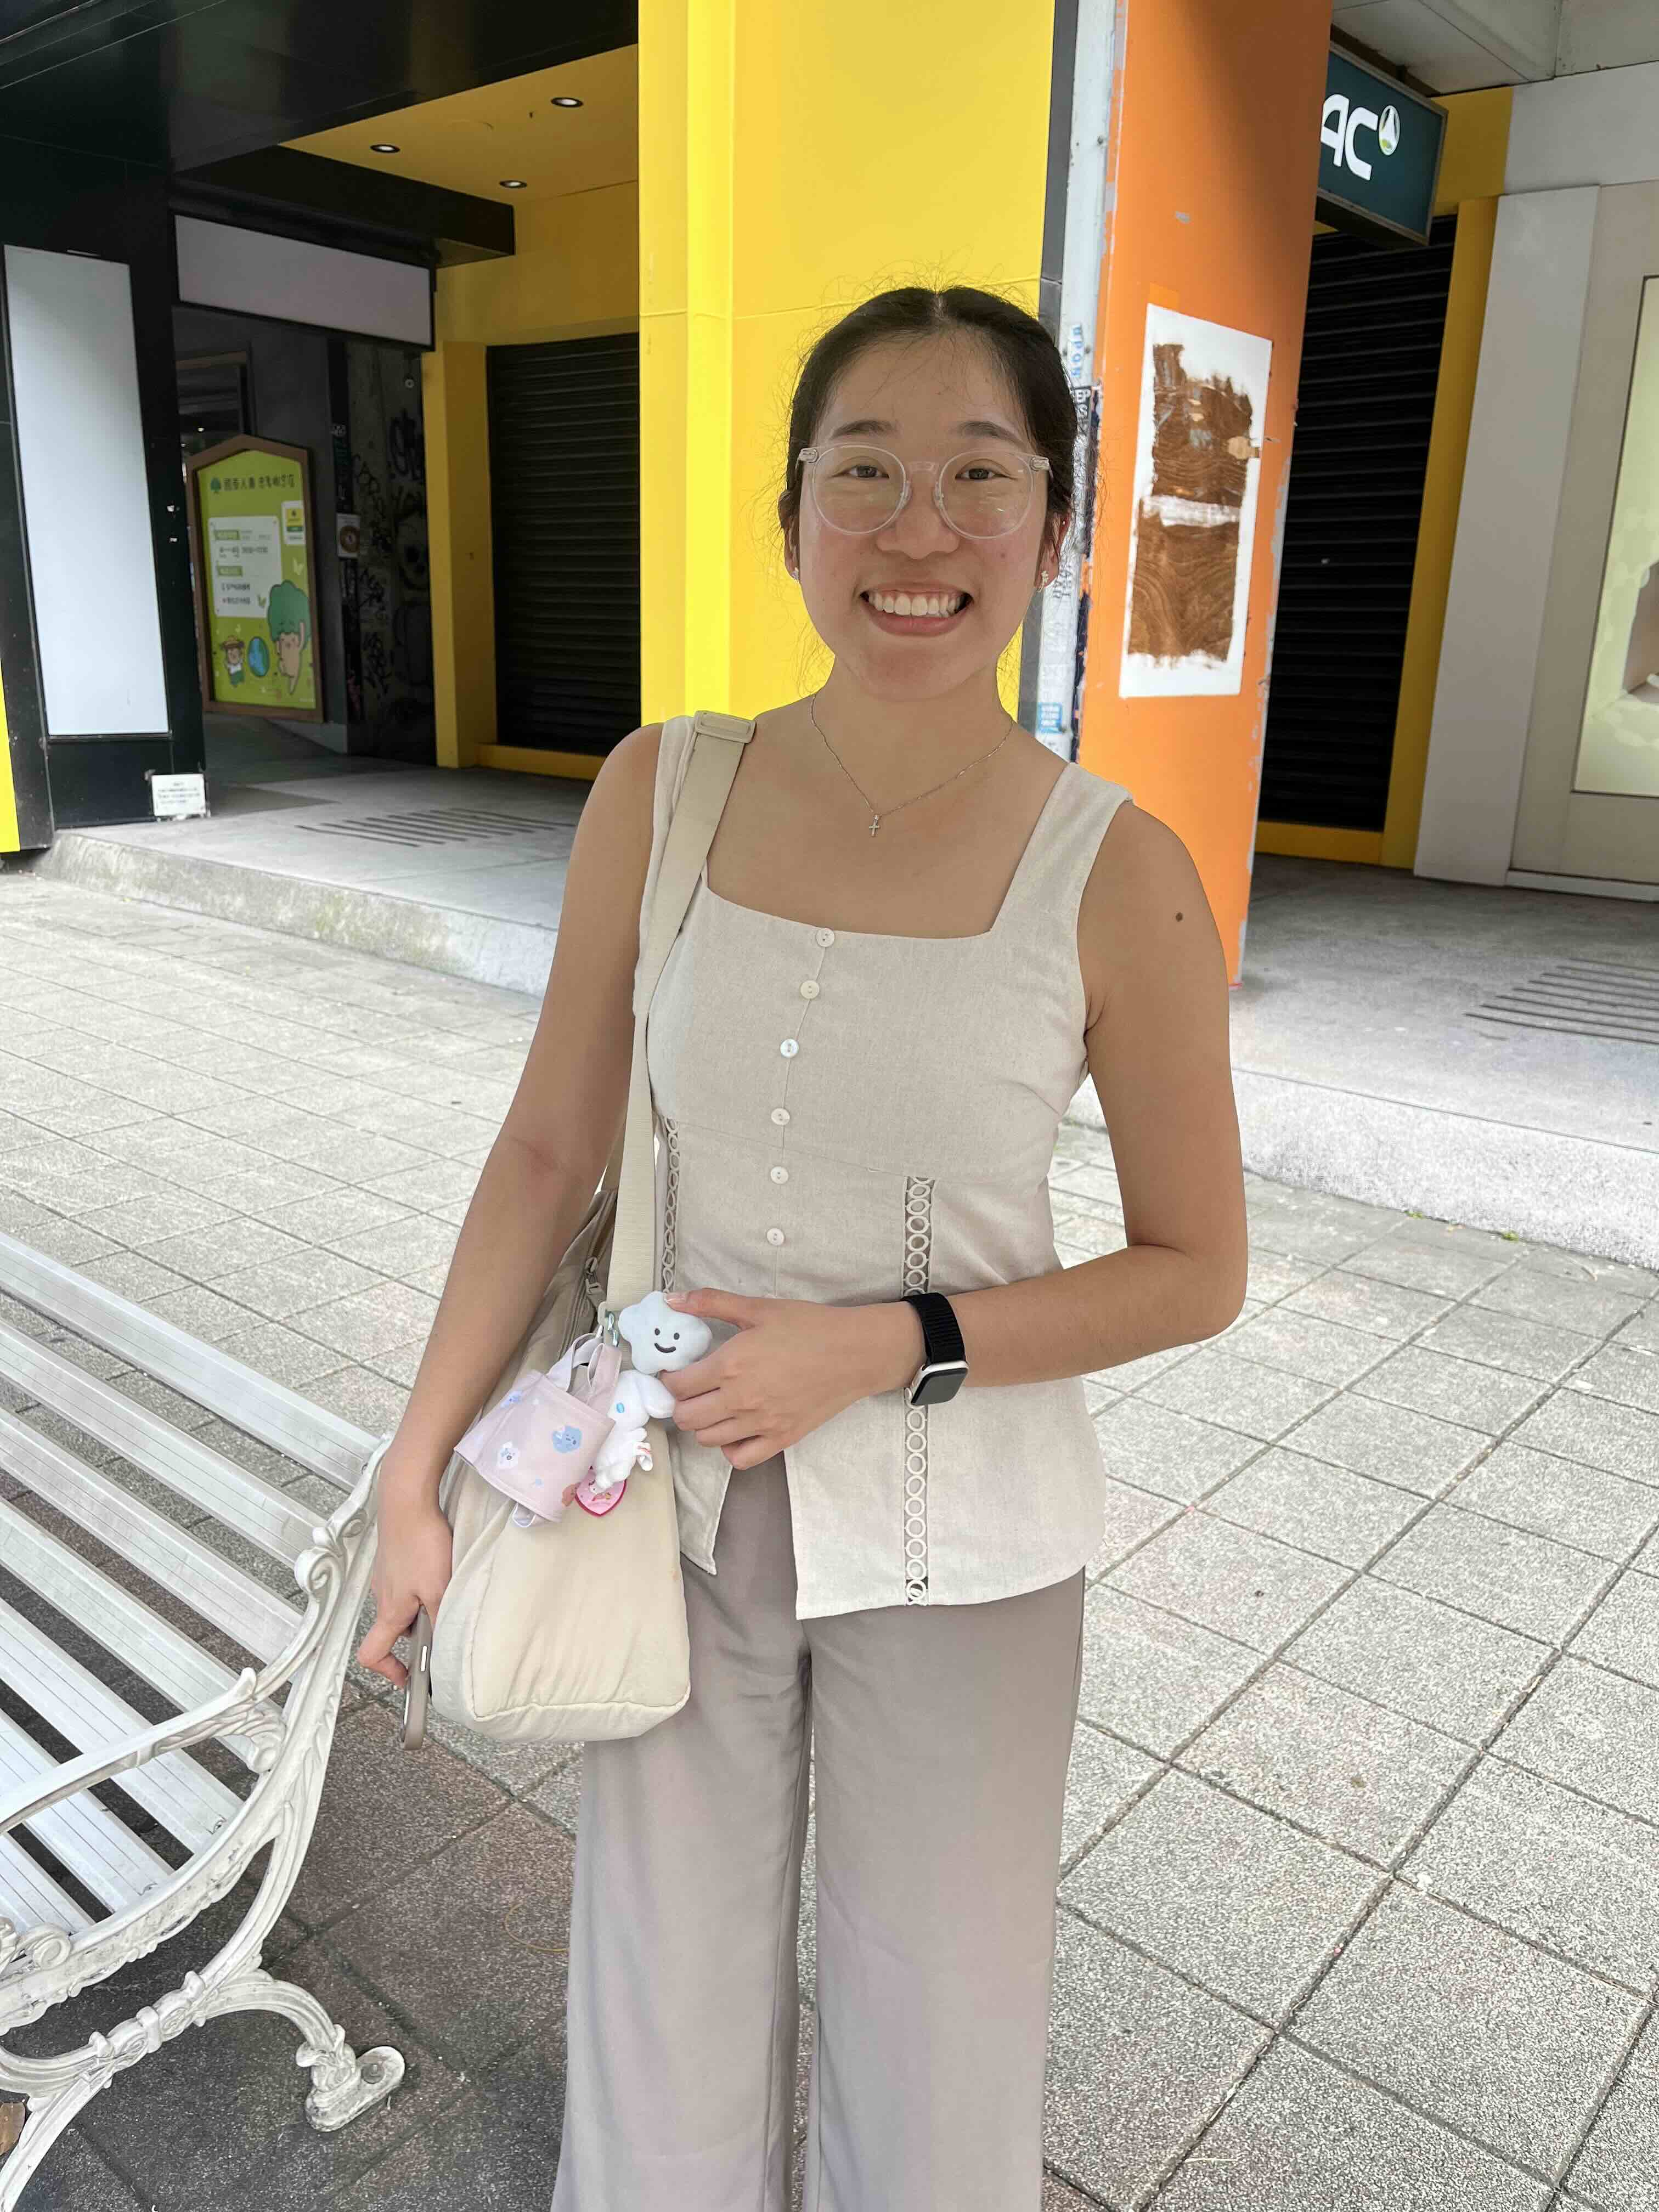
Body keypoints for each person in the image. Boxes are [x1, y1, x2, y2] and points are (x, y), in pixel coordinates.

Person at [358, 283, 1248, 2211]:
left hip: (971, 1543)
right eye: (865, 473)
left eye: (979, 476)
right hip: (663, 1504)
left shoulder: (1119, 870)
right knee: (659, 1995)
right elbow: (545, 1152)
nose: (918, 531)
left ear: (1055, 527)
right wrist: (412, 1477)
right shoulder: (663, 790)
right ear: (790, 517)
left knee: (939, 2033)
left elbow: (1198, 1265)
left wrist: (881, 1343)